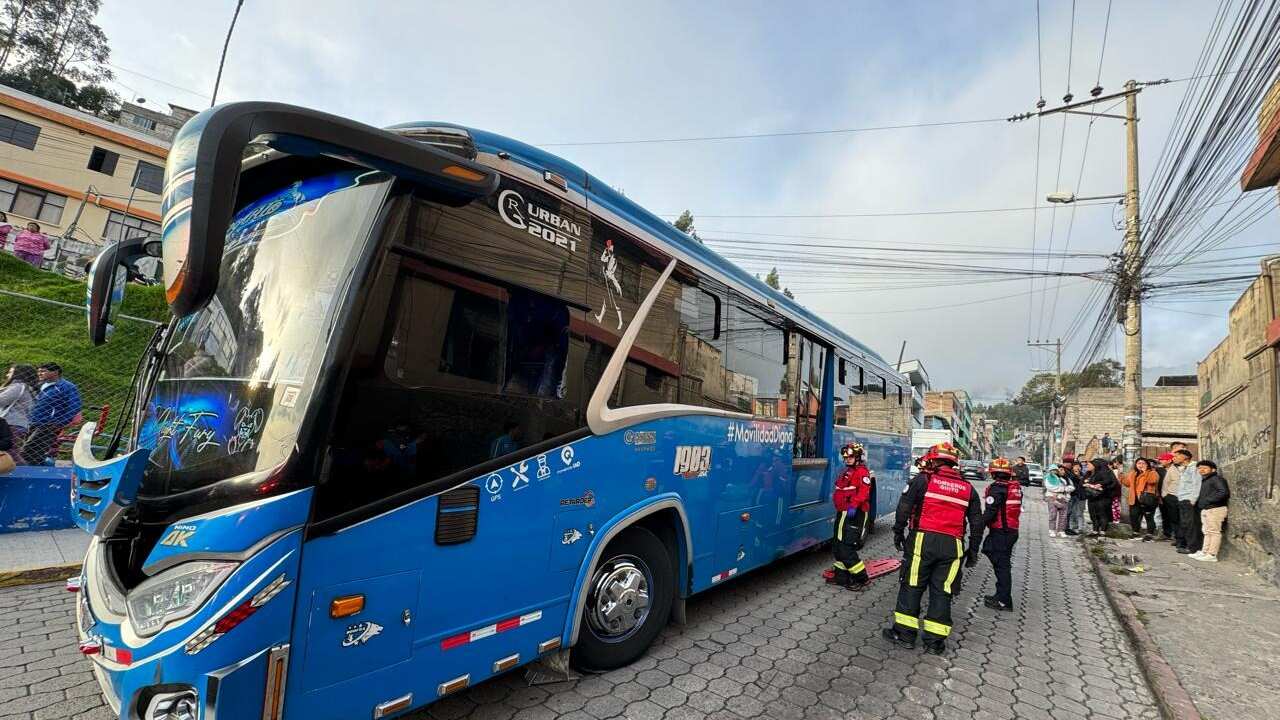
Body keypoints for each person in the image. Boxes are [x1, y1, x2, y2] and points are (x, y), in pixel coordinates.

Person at [882, 442, 983, 655]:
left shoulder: (924, 480)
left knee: (912, 584)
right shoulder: (968, 488)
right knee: (942, 590)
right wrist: (973, 550)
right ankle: (935, 642)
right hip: (953, 546)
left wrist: (898, 532)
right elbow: (976, 523)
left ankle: (905, 634)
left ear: (935, 460)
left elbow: (904, 507)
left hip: (923, 540)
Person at [828, 442, 872, 590]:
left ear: (858, 457)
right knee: (837, 545)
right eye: (845, 457)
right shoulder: (847, 471)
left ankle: (862, 579)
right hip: (843, 512)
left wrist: (853, 506)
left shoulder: (862, 472)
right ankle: (841, 577)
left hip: (854, 514)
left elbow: (864, 493)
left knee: (846, 547)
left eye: (850, 457)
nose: (847, 459)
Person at [981, 458, 1022, 612]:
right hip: (1011, 531)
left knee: (1002, 566)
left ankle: (1004, 601)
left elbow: (991, 512)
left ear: (993, 473)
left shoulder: (997, 489)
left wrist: (978, 524)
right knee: (995, 556)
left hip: (1001, 532)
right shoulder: (1014, 487)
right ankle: (1001, 595)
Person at [19, 363, 81, 465]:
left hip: (49, 424)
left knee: (29, 449)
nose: (39, 373)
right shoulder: (39, 385)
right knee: (34, 451)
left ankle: (31, 470)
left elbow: (74, 406)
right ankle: (38, 469)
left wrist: (60, 422)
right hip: (32, 422)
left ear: (55, 372)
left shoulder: (66, 387)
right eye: (38, 371)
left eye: (43, 371)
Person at [1192, 460, 1229, 562]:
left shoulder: (1216, 479)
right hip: (1207, 509)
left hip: (1216, 509)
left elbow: (1223, 492)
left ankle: (1212, 554)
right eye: (1199, 468)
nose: (1201, 470)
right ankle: (1205, 552)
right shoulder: (1205, 480)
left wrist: (1207, 500)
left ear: (1213, 469)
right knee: (1207, 532)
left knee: (1214, 532)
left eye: (1204, 468)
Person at [0, 364, 37, 463]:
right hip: (18, 424)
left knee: (11, 453)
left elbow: (2, 400)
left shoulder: (18, 386)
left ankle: (26, 473)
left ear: (18, 374)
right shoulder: (27, 388)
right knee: (12, 452)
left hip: (11, 423)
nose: (8, 374)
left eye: (10, 372)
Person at [1173, 449, 1203, 555]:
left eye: (1177, 456)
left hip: (1189, 500)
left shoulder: (1194, 467)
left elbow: (1197, 484)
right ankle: (1186, 545)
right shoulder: (1184, 469)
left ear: (1185, 457)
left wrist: (1193, 499)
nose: (1174, 458)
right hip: (1182, 499)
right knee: (1185, 523)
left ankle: (1193, 548)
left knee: (1191, 524)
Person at [1124, 458, 1160, 540]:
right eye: (1139, 463)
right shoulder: (1133, 473)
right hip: (1134, 499)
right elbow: (1127, 483)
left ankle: (1149, 534)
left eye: (1143, 463)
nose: (1141, 465)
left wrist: (1145, 472)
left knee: (1149, 517)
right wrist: (1121, 476)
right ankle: (1135, 532)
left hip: (1147, 499)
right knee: (1134, 516)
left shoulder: (1152, 472)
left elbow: (1152, 481)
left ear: (1147, 465)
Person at [1083, 457, 1118, 535]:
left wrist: (1100, 486)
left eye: (1089, 464)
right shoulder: (1089, 473)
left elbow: (1112, 484)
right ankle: (1095, 530)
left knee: (1102, 514)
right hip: (1091, 497)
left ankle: (1103, 530)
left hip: (1103, 498)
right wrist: (1086, 484)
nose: (1087, 466)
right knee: (1093, 514)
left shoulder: (1106, 473)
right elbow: (1082, 482)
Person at [1043, 463, 1073, 538]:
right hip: (1052, 498)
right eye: (1061, 470)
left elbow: (1072, 487)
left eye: (1064, 470)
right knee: (1053, 514)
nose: (1063, 471)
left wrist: (1064, 490)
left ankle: (1061, 531)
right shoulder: (1049, 478)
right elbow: (1051, 487)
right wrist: (1064, 489)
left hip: (1064, 498)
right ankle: (1052, 530)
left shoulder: (1066, 479)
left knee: (1063, 516)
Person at [1157, 452, 1180, 543]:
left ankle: (1176, 536)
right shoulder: (1160, 470)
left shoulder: (1175, 470)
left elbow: (1175, 483)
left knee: (1174, 517)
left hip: (1171, 496)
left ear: (1169, 460)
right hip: (1163, 496)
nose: (1160, 461)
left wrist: (1168, 495)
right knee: (1164, 516)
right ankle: (1167, 534)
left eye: (1163, 459)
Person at [1064, 459, 1087, 535]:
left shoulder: (1083, 475)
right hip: (1072, 495)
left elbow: (1083, 484)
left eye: (1079, 466)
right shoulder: (1070, 474)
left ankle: (1080, 527)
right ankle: (1071, 527)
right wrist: (1076, 475)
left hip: (1080, 496)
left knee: (1079, 512)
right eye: (1075, 466)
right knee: (1070, 512)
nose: (1077, 468)